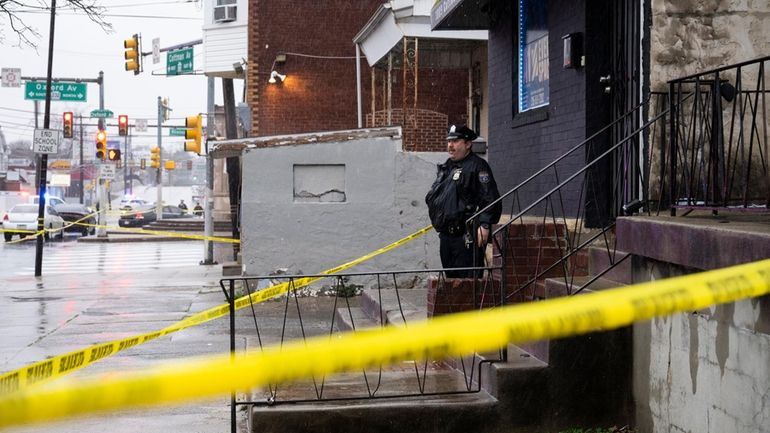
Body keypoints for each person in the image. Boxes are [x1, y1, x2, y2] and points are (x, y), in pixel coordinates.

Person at [426, 124, 502, 278]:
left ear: (468, 144)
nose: (450, 145)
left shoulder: (478, 166)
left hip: (466, 237)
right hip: (447, 236)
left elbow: (490, 198)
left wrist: (485, 224)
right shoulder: (448, 166)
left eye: (455, 141)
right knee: (451, 281)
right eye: (448, 141)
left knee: (468, 284)